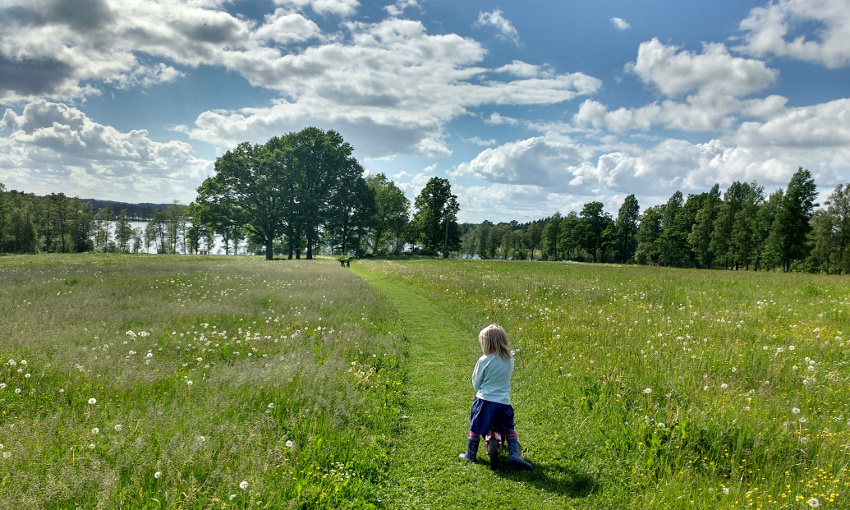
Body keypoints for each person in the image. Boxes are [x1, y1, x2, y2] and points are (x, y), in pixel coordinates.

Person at [459, 324, 533, 470]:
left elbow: (476, 381)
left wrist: (479, 389)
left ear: (486, 343)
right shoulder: (509, 359)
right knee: (508, 427)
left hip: (484, 401)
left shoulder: (484, 360)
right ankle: (514, 453)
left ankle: (470, 454)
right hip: (503, 402)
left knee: (475, 425)